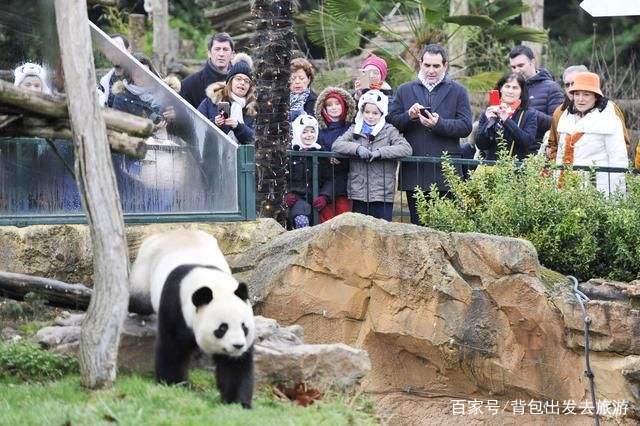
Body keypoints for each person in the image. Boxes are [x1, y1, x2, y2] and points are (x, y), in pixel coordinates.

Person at [387, 44, 472, 225]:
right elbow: (392, 122)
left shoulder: (458, 91)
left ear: (445, 66)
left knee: (446, 228)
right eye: (427, 65)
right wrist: (409, 117)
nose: (431, 70)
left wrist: (438, 124)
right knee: (418, 227)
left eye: (436, 66)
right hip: (415, 171)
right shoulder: (404, 90)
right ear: (420, 64)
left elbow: (466, 126)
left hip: (446, 172)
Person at [332, 90, 412, 221]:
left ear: (382, 114)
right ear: (361, 112)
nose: (370, 116)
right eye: (367, 112)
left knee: (383, 232)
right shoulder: (355, 129)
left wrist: (381, 152)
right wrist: (357, 149)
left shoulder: (389, 130)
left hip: (382, 193)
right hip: (358, 192)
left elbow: (406, 148)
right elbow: (337, 144)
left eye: (375, 113)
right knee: (359, 230)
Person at [554, 72, 628, 195]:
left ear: (596, 96)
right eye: (577, 94)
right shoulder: (566, 117)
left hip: (597, 189)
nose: (580, 99)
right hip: (566, 187)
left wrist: (617, 198)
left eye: (586, 94)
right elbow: (560, 157)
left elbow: (618, 161)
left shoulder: (609, 120)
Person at [547, 65, 630, 162]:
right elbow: (554, 145)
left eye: (586, 94)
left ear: (595, 96)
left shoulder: (610, 111)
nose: (570, 88)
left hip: (596, 174)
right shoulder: (561, 113)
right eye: (567, 85)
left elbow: (620, 152)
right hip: (567, 174)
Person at [313, 86, 357, 222]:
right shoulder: (319, 130)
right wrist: (327, 157)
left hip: (345, 183)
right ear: (323, 109)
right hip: (325, 181)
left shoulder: (351, 128)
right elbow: (316, 148)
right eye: (329, 105)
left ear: (344, 106)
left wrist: (342, 158)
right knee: (326, 220)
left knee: (344, 219)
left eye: (337, 103)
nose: (333, 107)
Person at [508, 45, 564, 146]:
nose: (517, 70)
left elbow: (557, 124)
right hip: (505, 151)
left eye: (521, 65)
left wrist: (526, 111)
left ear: (532, 62)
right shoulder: (508, 88)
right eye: (513, 67)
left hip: (536, 153)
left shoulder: (552, 88)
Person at [475, 72, 537, 160]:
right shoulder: (489, 111)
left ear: (522, 92)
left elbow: (527, 142)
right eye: (507, 86)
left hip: (515, 168)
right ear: (500, 89)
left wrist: (506, 120)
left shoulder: (529, 114)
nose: (510, 91)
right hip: (490, 168)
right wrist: (489, 122)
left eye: (515, 88)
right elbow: (481, 145)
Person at [197, 54, 255, 144]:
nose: (242, 83)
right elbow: (196, 127)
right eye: (238, 79)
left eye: (247, 81)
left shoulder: (253, 108)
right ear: (230, 82)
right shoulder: (212, 101)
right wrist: (215, 123)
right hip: (214, 155)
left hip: (243, 156)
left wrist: (239, 127)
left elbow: (256, 139)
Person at [285, 114, 322, 229]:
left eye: (312, 131)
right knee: (302, 221)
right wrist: (286, 194)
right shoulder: (291, 152)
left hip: (317, 199)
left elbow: (329, 178)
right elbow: (281, 177)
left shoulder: (321, 151)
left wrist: (325, 196)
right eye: (305, 132)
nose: (309, 135)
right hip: (297, 199)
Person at [180, 32, 235, 109]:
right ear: (209, 53)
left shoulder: (241, 84)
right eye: (217, 49)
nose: (221, 54)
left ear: (232, 54)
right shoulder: (189, 85)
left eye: (225, 49)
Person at [97, 34, 131, 107]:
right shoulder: (104, 83)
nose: (115, 52)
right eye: (110, 50)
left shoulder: (142, 76)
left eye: (118, 47)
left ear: (129, 50)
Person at [289, 57, 317, 122]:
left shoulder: (313, 100)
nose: (297, 82)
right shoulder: (282, 98)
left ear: (309, 79)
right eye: (293, 78)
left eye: (301, 78)